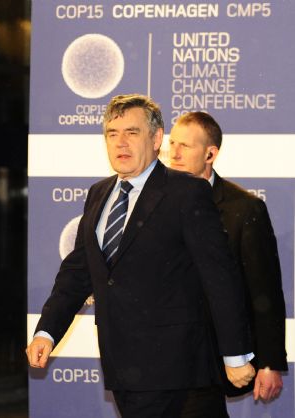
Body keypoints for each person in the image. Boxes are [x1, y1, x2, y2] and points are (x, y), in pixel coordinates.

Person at [26, 95, 256, 418]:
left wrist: (235, 356)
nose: (121, 142)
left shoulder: (186, 192)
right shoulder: (98, 194)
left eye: (132, 132)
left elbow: (219, 276)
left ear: (156, 138)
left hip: (183, 378)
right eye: (112, 133)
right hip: (125, 373)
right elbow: (78, 273)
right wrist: (46, 332)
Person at [169, 111, 288, 418]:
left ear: (211, 153)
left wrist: (269, 362)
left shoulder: (244, 209)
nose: (175, 153)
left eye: (185, 145)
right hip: (160, 359)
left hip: (211, 359)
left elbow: (264, 291)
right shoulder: (153, 203)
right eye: (172, 143)